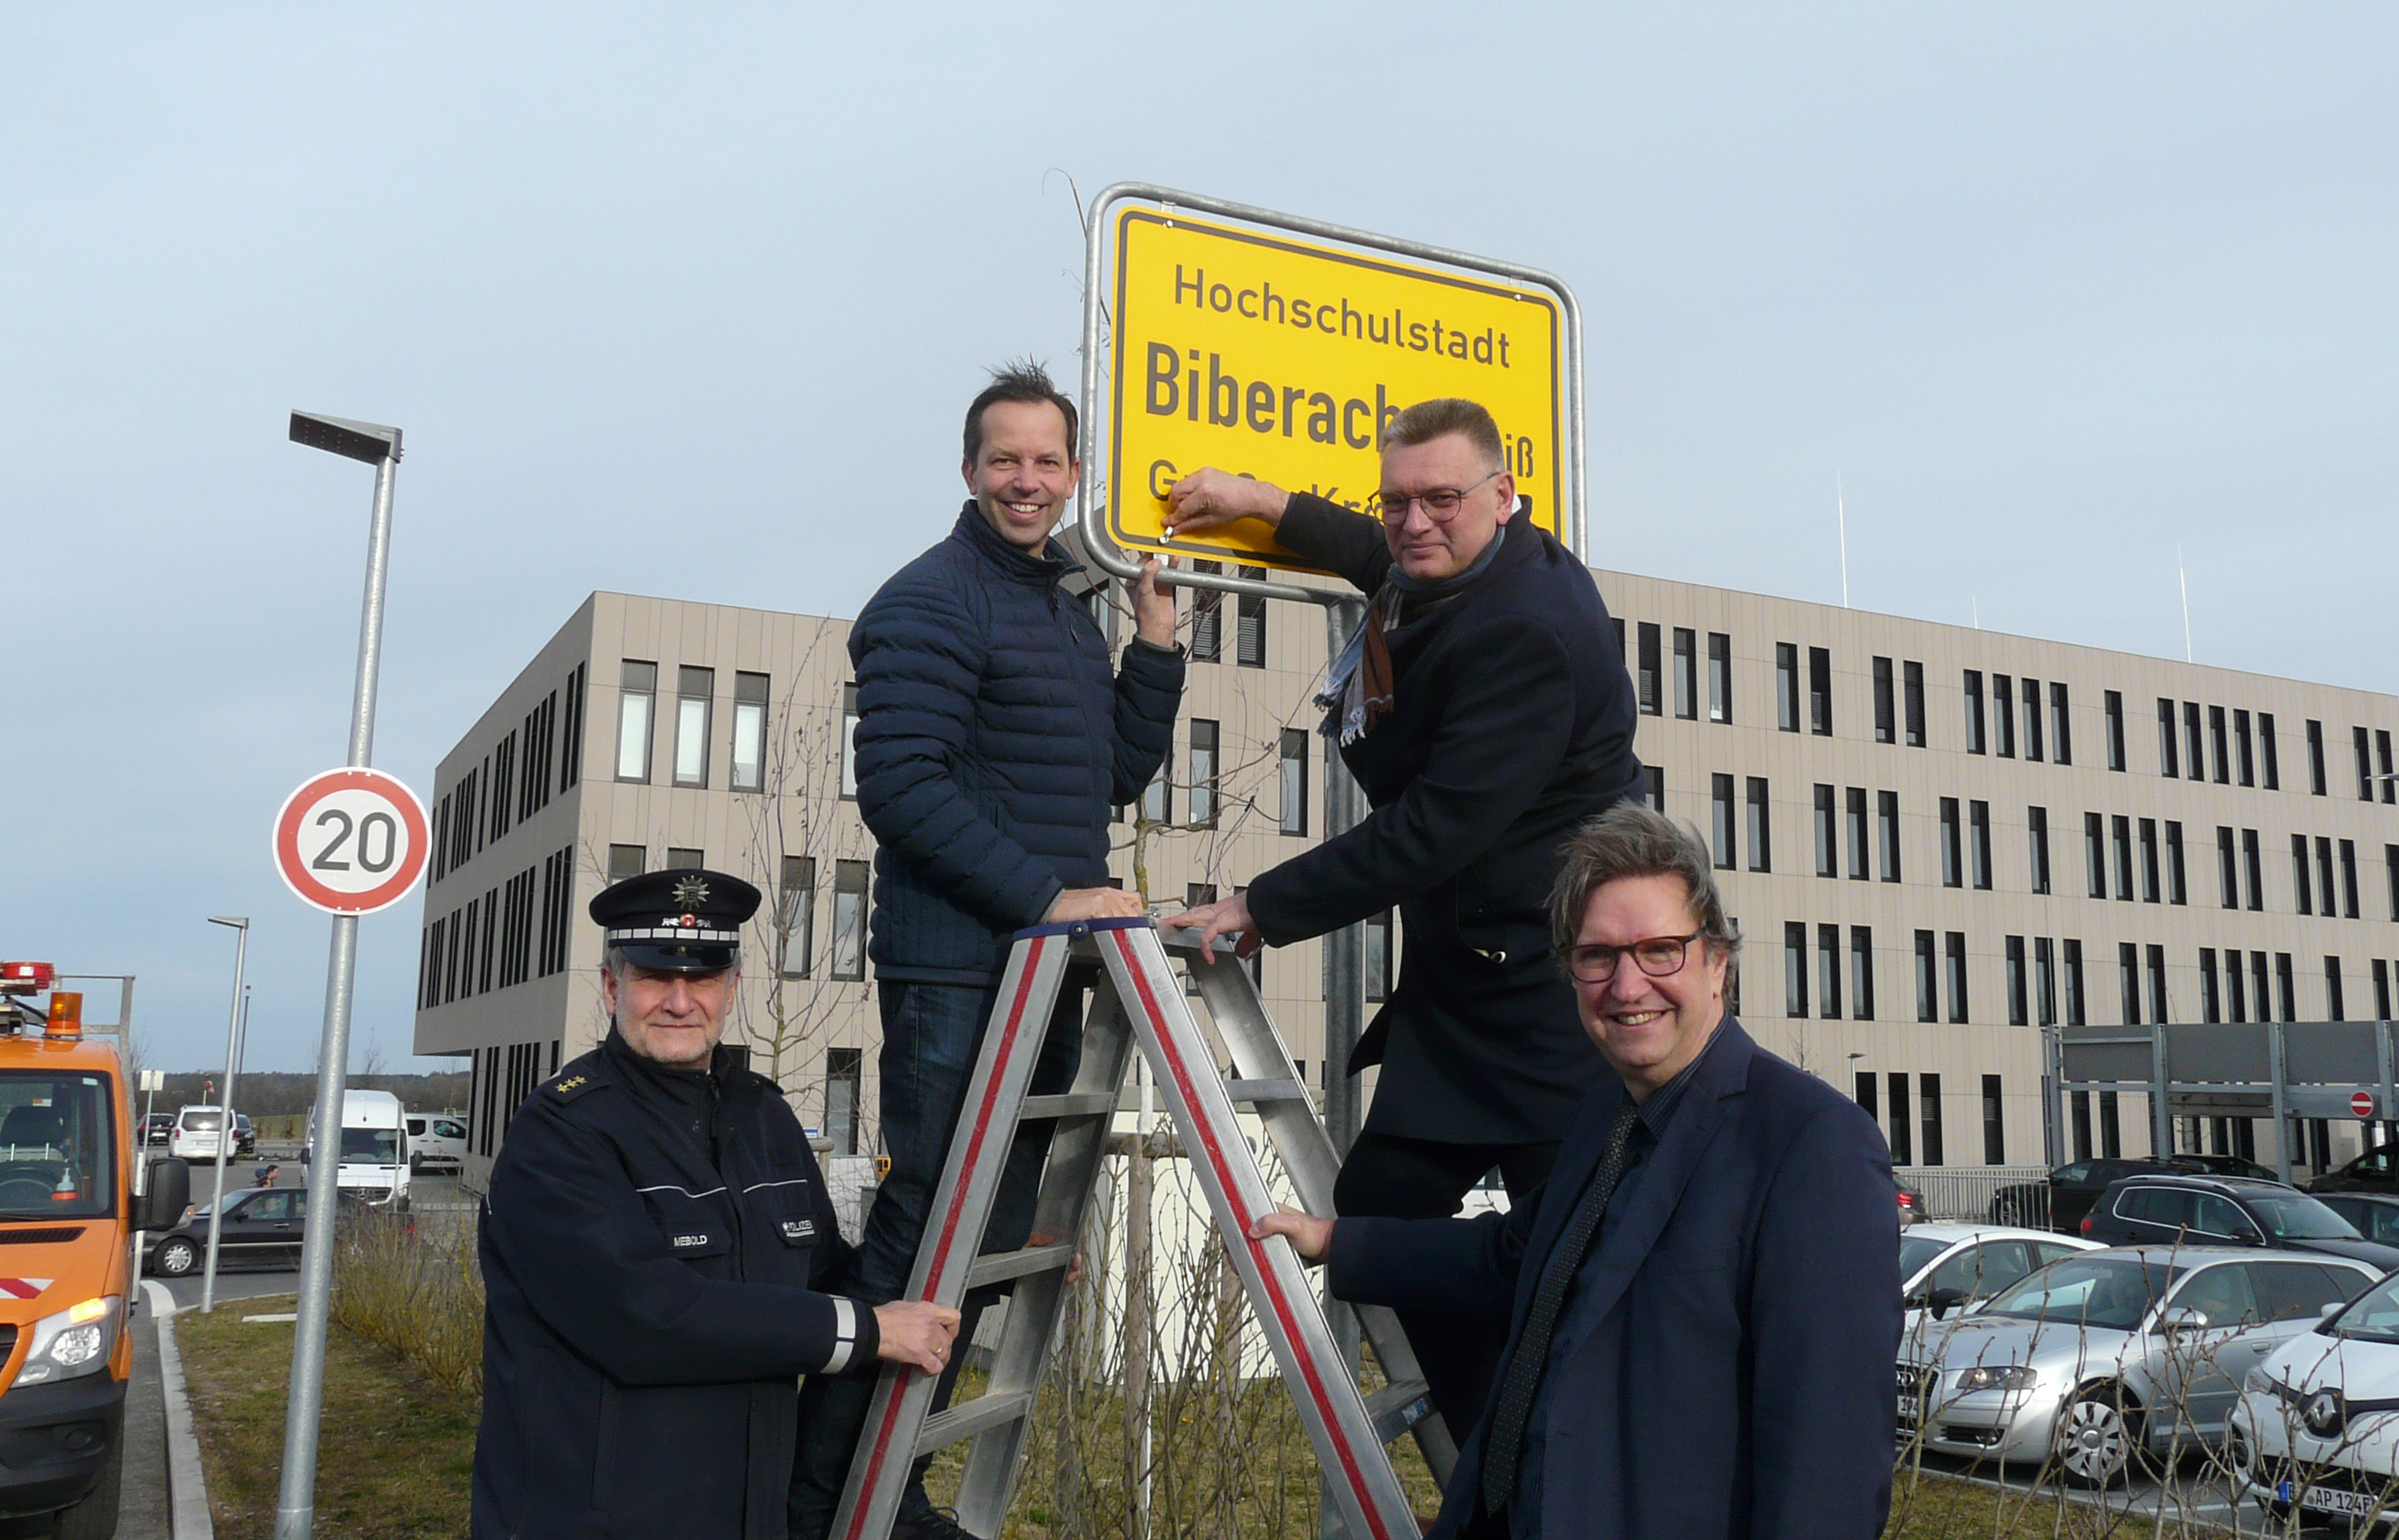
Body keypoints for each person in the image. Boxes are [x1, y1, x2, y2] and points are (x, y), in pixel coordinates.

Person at [1160, 396, 1644, 1429]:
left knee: (1580, 1265)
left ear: (1505, 498)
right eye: (1398, 501)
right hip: (1466, 977)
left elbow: (1433, 830)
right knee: (1383, 1207)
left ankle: (1558, 1470)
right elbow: (1371, 551)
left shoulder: (1528, 632)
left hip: (1555, 990)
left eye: (1443, 500)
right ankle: (1489, 1459)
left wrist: (1257, 904)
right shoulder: (1457, 564)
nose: (1417, 521)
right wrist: (1260, 501)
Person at [1254, 803, 1901, 1540]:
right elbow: (1508, 1257)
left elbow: (1829, 1464)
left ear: (1719, 963)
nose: (1627, 987)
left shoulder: (1809, 1142)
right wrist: (1336, 1240)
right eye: (1598, 956)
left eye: (1661, 950)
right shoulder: (1604, 1118)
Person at [790, 360, 1183, 1540]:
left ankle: (885, 1476)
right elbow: (900, 789)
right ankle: (820, 1498)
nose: (1027, 479)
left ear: (1072, 475)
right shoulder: (930, 599)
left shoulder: (1059, 604)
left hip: (1036, 965)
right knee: (931, 1224)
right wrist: (1043, 899)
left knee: (987, 1234)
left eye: (1047, 461)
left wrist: (1155, 644)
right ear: (970, 471)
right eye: (1004, 459)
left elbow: (1106, 778)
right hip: (964, 965)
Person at [473, 868, 961, 1540]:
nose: (680, 1000)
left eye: (702, 978)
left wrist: (990, 1250)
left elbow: (826, 1276)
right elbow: (650, 1319)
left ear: (731, 988)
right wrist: (868, 1330)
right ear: (613, 986)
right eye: (652, 977)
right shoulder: (559, 1135)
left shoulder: (763, 1117)